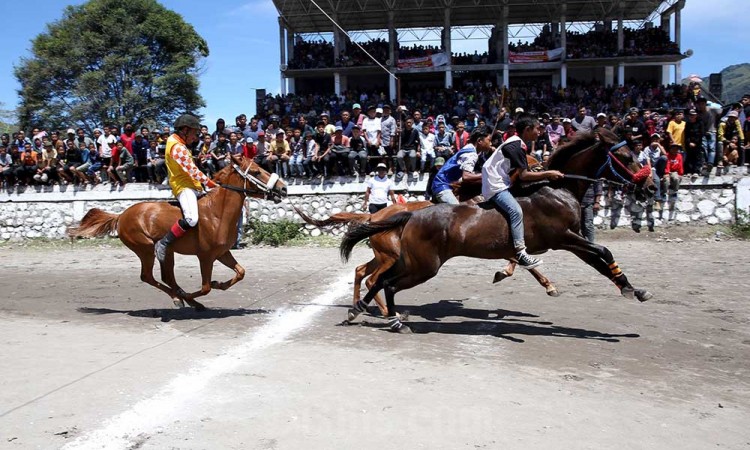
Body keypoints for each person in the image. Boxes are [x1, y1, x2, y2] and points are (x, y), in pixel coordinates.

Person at [481, 115, 564, 268]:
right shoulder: (516, 146)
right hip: (496, 185)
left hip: (499, 181)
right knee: (516, 211)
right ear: (527, 130)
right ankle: (521, 253)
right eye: (537, 129)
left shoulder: (516, 143)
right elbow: (524, 175)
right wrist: (548, 173)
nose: (539, 132)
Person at [155, 114, 218, 264]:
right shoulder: (177, 147)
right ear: (184, 130)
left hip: (193, 185)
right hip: (184, 187)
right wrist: (211, 184)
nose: (195, 137)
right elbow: (192, 171)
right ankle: (163, 243)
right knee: (192, 219)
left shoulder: (180, 145)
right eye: (194, 133)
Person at [431, 128, 491, 204]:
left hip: (445, 184)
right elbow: (466, 177)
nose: (491, 143)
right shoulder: (471, 154)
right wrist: (486, 174)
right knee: (456, 211)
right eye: (489, 140)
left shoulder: (470, 148)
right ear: (479, 141)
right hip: (442, 186)